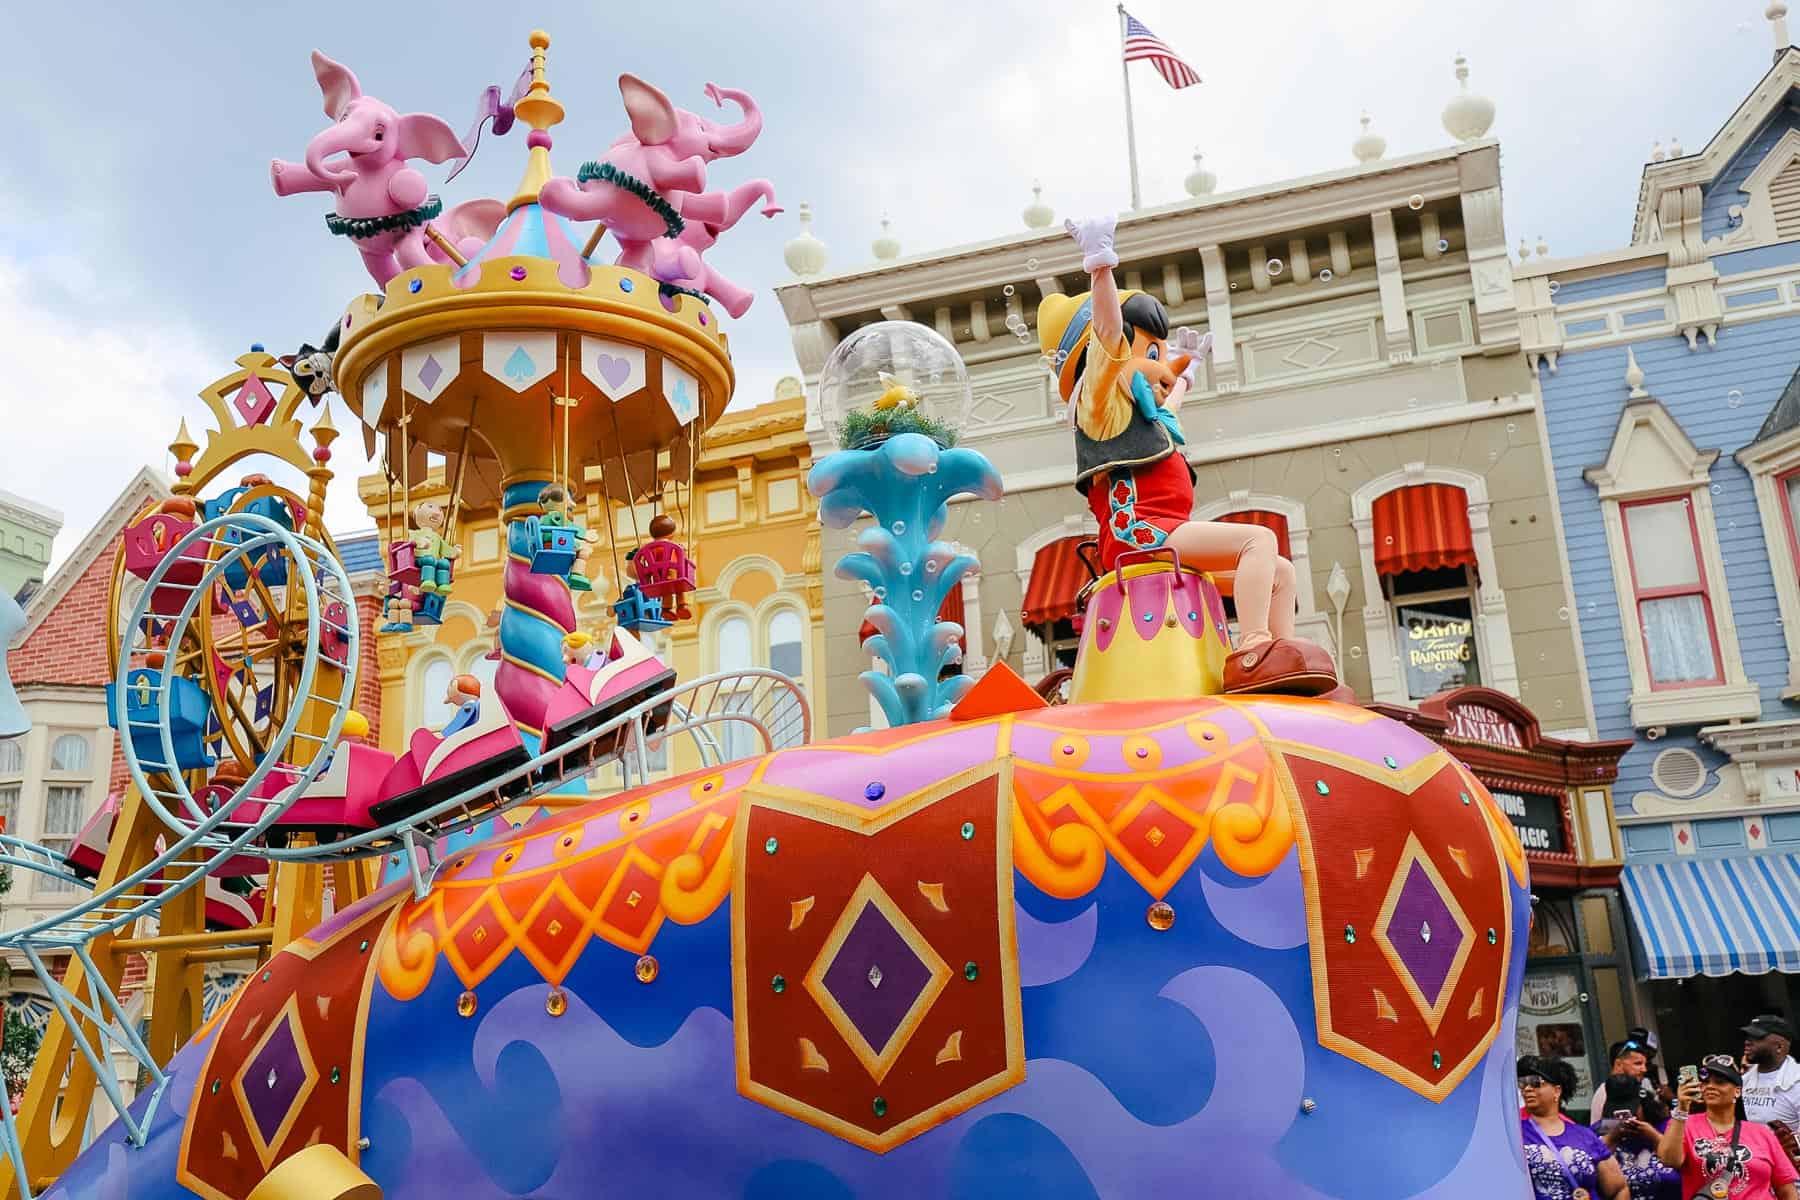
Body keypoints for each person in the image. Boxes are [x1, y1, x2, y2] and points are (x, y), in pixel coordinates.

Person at [1041, 214, 1338, 696]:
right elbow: (1109, 335)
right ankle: (1253, 649)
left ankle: (1283, 664)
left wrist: (1189, 371)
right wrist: (1100, 267)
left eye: (1158, 353)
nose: (1155, 366)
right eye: (1147, 352)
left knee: (1279, 570)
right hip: (1142, 537)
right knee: (1257, 541)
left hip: (1166, 537)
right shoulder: (1102, 410)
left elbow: (1170, 403)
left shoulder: (1146, 418)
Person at [1658, 1053, 1799, 1200]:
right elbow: (1669, 1160)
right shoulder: (1685, 1125)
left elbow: (1787, 1190)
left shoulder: (1762, 1133)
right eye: (1705, 1082)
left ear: (1737, 1091)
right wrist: (1681, 1109)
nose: (1710, 1086)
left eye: (1719, 1082)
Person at [1520, 1055, 1629, 1199]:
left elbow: (1619, 1189)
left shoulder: (1585, 1136)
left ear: (1557, 1091)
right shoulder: (1514, 1134)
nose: (1527, 1088)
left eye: (1535, 1082)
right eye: (1522, 1083)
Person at [1595, 1073, 1680, 1199]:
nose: (1626, 1118)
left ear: (1643, 1104)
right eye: (1617, 1111)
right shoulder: (1601, 1129)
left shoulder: (1667, 1126)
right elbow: (1589, 1174)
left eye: (1631, 1110)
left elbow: (1682, 1164)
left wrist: (1655, 1137)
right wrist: (1610, 1139)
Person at [1744, 1016, 1800, 1135]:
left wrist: (1795, 1143)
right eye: (1748, 1037)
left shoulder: (1797, 1082)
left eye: (1757, 1037)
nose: (1747, 1042)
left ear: (1779, 1046)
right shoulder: (1743, 1080)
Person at [1591, 1039, 1655, 1123]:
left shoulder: (1635, 1088)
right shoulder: (1606, 1092)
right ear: (1618, 1064)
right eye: (1638, 1063)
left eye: (1645, 1064)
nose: (1644, 1069)